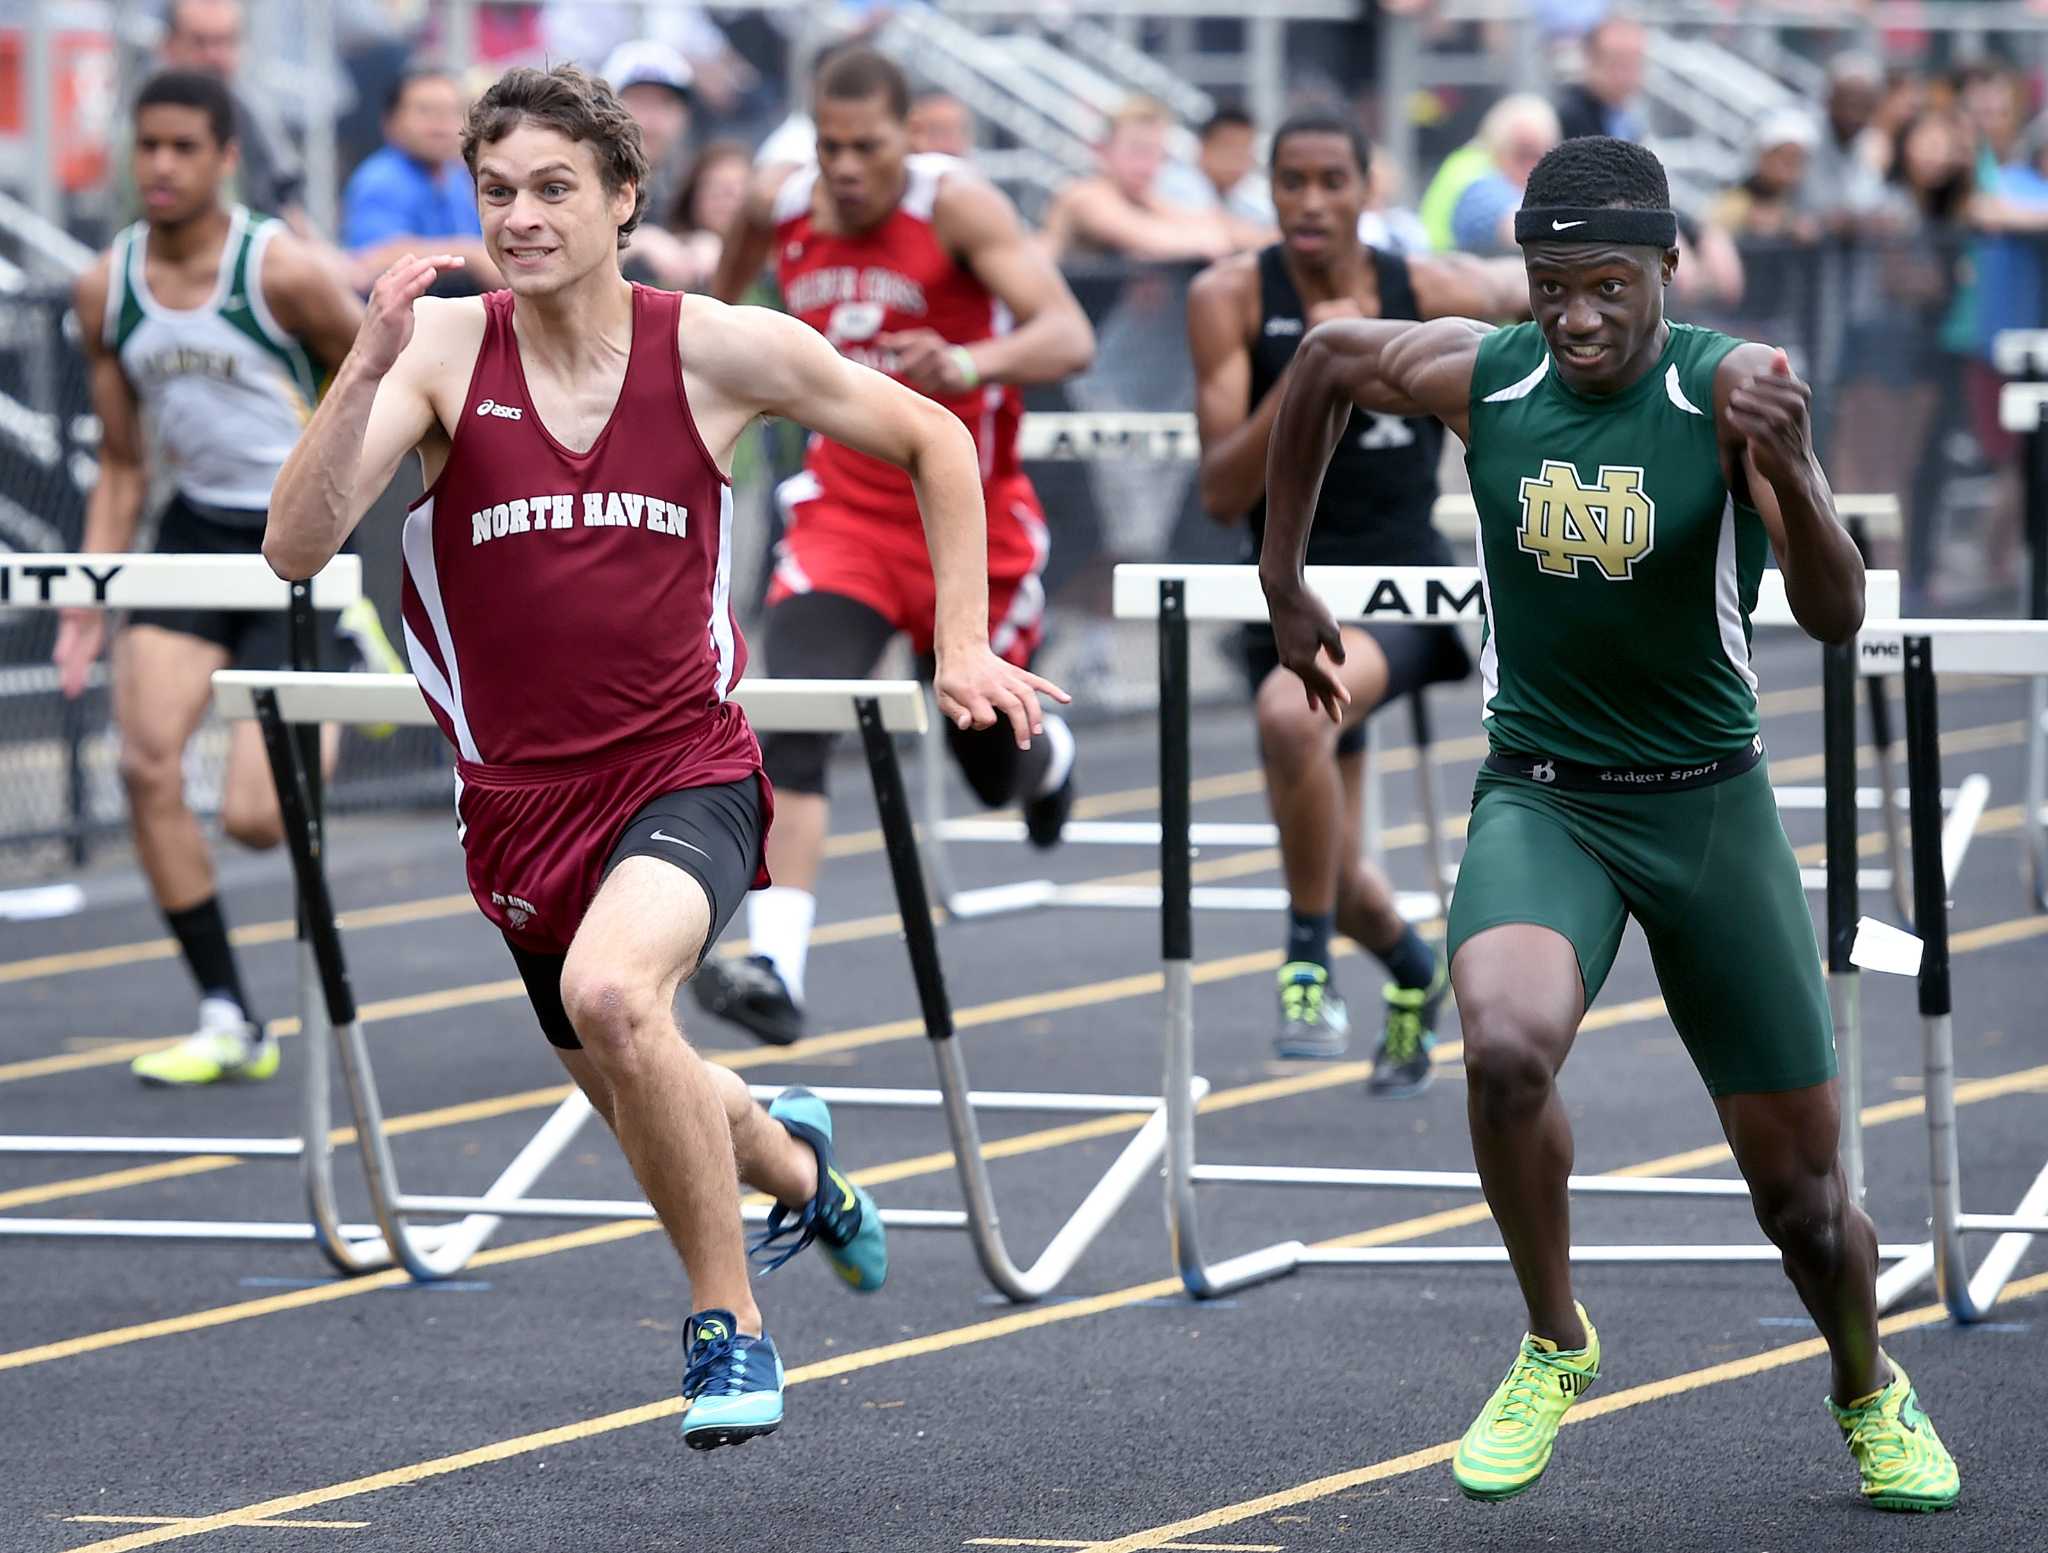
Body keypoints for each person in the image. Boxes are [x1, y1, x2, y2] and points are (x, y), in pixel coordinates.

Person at [263, 61, 1059, 1449]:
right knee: (654, 1086)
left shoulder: (714, 345)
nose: (521, 218)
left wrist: (960, 646)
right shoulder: (444, 354)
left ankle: (727, 1330)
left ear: (626, 198)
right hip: (514, 813)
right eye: (497, 191)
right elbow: (296, 544)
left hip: (683, 770)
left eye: (555, 189)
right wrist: (365, 367)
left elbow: (933, 436)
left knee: (623, 1004)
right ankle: (802, 1165)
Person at [1260, 136, 1960, 1513]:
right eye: (1549, 287)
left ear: (1666, 272)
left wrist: (1797, 469)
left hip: (1708, 810)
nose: (1575, 319)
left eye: (1606, 289)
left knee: (1804, 1207)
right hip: (1547, 797)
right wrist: (1283, 578)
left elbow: (1834, 615)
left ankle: (1869, 1385)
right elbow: (1332, 360)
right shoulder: (1494, 373)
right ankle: (1554, 1338)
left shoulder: (1722, 393)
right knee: (1506, 1046)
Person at [698, 47, 1095, 1045]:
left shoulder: (955, 206)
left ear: (906, 138)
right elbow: (710, 302)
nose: (844, 168)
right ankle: (775, 968)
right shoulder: (778, 204)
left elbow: (1066, 334)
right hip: (843, 517)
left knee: (988, 762)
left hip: (969, 520)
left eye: (865, 147)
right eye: (828, 146)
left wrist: (968, 358)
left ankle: (1047, 766)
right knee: (792, 711)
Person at [1188, 110, 1523, 1087]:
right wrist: (1311, 375)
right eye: (1290, 180)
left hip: (1400, 585)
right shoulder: (1230, 295)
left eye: (1331, 180)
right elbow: (1218, 490)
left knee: (1288, 721)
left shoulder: (1425, 288)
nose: (1309, 202)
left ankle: (1305, 965)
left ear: (1366, 189)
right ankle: (1411, 969)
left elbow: (1533, 316)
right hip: (1284, 584)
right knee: (1330, 864)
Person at [54, 70, 372, 1086]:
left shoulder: (280, 274)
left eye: (184, 147)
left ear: (226, 157)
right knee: (144, 764)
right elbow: (120, 461)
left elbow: (381, 380)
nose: (160, 166)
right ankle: (227, 1010)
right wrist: (87, 596)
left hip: (296, 544)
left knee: (254, 817)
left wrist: (344, 506)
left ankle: (350, 653)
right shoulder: (106, 286)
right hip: (193, 535)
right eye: (147, 145)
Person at [1041, 96, 1261, 263]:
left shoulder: (1145, 197)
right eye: (1138, 150)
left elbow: (1214, 223)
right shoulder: (1085, 196)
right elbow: (1147, 236)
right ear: (1102, 152)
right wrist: (1212, 237)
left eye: (1157, 154)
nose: (1147, 166)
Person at [341, 68, 501, 293]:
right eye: (425, 111)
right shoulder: (381, 180)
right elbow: (368, 263)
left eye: (451, 112)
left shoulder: (456, 178)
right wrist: (470, 255)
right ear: (391, 122)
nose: (440, 124)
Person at [1552, 15, 1646, 145]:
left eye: (1633, 63)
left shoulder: (1627, 116)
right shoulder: (1570, 120)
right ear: (1590, 60)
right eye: (1616, 63)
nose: (1625, 75)